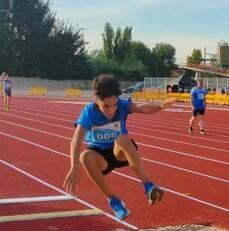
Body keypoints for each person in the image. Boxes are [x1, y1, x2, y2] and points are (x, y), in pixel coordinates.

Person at [63, 74, 172, 221]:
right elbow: (76, 138)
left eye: (114, 105)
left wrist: (161, 105)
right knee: (84, 156)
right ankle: (114, 202)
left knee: (121, 138)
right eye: (106, 106)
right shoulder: (89, 111)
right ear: (96, 100)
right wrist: (74, 166)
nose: (111, 110)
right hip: (100, 157)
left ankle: (148, 186)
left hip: (119, 152)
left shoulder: (121, 105)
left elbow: (142, 108)